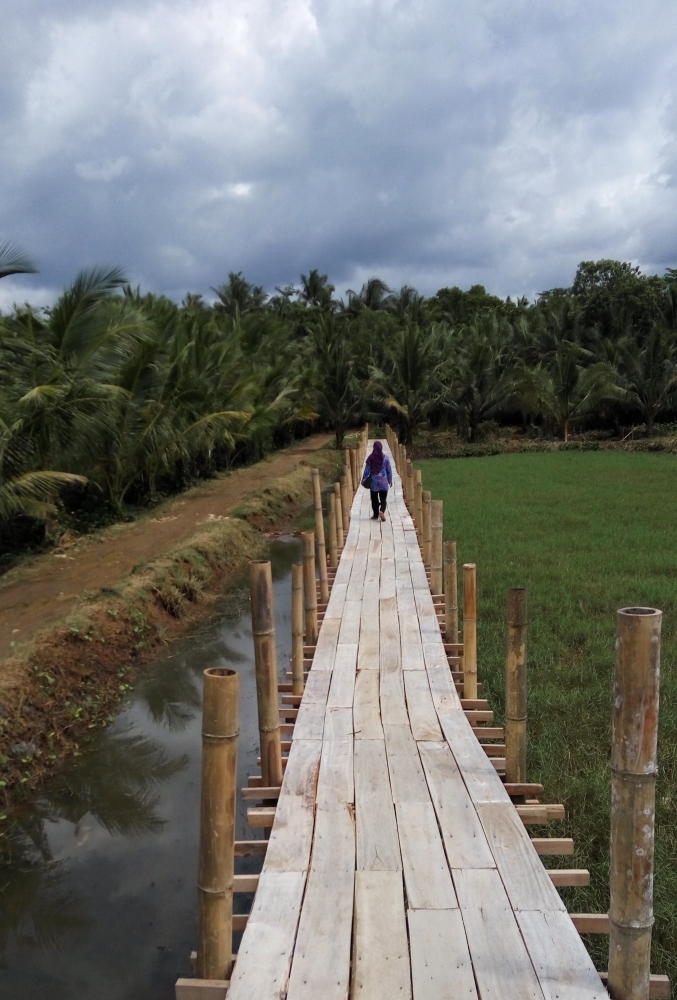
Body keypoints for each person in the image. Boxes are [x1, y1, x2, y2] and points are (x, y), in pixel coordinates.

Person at [361, 440, 393, 521]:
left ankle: (375, 515)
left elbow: (367, 469)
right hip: (384, 481)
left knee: (374, 498)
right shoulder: (385, 458)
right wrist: (390, 480)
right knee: (383, 498)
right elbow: (389, 470)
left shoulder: (371, 458)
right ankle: (382, 510)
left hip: (374, 482)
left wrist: (364, 478)